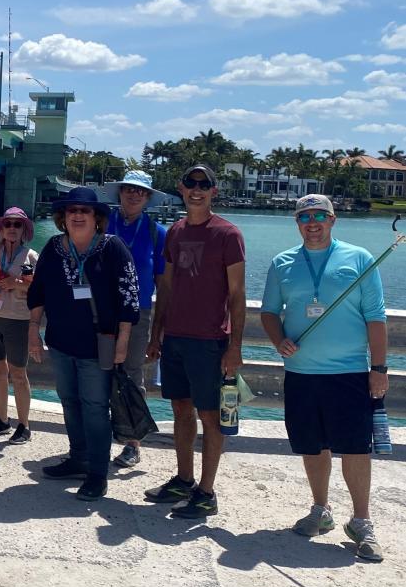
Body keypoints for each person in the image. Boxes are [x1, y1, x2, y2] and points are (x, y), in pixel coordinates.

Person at [261, 194, 387, 562]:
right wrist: (278, 339)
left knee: (355, 448)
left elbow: (375, 318)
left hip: (348, 373)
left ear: (333, 220)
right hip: (301, 374)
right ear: (296, 222)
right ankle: (321, 510)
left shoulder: (360, 258)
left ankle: (361, 521)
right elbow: (269, 312)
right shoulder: (282, 262)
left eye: (319, 215)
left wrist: (378, 370)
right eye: (304, 216)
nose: (312, 222)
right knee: (312, 447)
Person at [145, 164, 246, 519]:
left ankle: (207, 491)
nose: (197, 189)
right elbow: (167, 288)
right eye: (191, 183)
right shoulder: (174, 231)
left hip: (210, 340)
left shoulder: (228, 234)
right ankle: (183, 478)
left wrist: (234, 347)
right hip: (175, 337)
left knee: (210, 415)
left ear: (214, 191)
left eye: (205, 185)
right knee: (179, 409)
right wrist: (156, 335)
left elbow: (237, 294)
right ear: (181, 189)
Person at [27, 188, 139, 501]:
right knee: (69, 401)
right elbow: (38, 292)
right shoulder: (53, 248)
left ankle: (97, 473)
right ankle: (78, 458)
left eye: (85, 211)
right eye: (72, 210)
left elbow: (129, 298)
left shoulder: (112, 248)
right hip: (61, 343)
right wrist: (33, 330)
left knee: (94, 408)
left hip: (97, 346)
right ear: (63, 217)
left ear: (96, 218)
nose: (77, 216)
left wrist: (123, 343)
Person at [104, 170, 168, 468]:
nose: (133, 195)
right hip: (101, 310)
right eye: (128, 189)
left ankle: (133, 443)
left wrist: (158, 332)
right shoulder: (103, 222)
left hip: (138, 314)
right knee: (97, 371)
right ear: (120, 193)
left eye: (140, 192)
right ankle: (98, 436)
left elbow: (164, 285)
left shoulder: (158, 233)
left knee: (132, 376)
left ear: (148, 197)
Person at [0, 207, 38, 445]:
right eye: (8, 224)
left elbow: (37, 288)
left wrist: (16, 284)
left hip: (17, 319)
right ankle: (2, 419)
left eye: (17, 225)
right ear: (1, 229)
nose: (12, 229)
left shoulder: (30, 256)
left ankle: (24, 424)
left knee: (18, 373)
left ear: (23, 230)